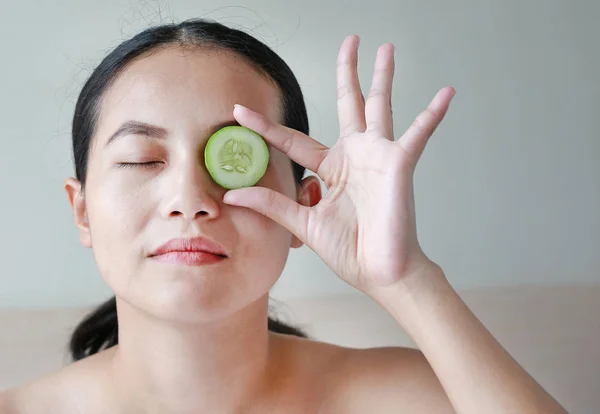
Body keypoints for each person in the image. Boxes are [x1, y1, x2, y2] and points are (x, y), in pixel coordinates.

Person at [0, 18, 567, 414]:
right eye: (144, 160)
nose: (192, 198)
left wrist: (407, 279)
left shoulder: (404, 397)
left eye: (234, 162)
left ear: (305, 203)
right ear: (82, 210)